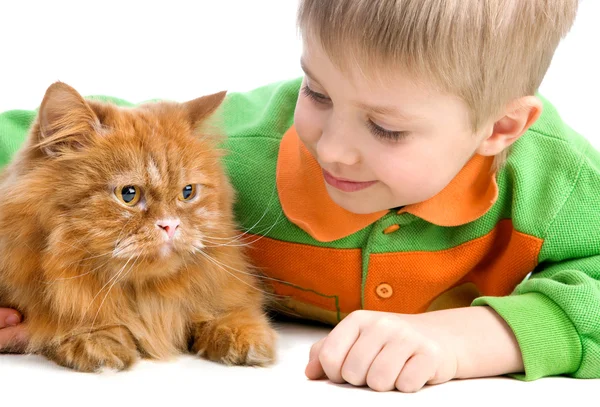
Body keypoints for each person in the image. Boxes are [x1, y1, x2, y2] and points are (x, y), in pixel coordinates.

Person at [1, 0, 597, 393]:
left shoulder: (554, 184)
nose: (331, 148)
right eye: (316, 91)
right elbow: (45, 151)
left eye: (386, 129)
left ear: (499, 129)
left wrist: (479, 339)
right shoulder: (245, 153)